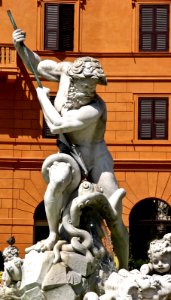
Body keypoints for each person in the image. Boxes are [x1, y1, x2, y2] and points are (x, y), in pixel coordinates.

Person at [12, 29, 129, 269]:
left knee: (115, 218)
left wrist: (42, 97)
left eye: (93, 86)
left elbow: (56, 125)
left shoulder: (94, 108)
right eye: (87, 85)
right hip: (69, 152)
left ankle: (125, 267)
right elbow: (38, 65)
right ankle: (53, 235)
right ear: (74, 78)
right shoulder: (65, 71)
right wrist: (20, 46)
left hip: (96, 158)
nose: (90, 91)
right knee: (57, 181)